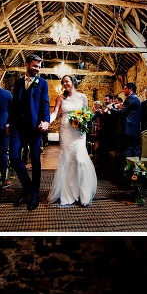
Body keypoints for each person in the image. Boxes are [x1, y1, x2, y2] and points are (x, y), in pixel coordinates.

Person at [46, 75, 97, 207]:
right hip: (66, 132)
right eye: (63, 82)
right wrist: (47, 122)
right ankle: (69, 193)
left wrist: (83, 121)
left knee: (80, 159)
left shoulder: (82, 97)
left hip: (79, 133)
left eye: (67, 81)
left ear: (73, 82)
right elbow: (55, 112)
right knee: (68, 161)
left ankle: (83, 194)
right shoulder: (60, 97)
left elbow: (88, 114)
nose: (65, 84)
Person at [8, 53, 51, 210]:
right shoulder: (18, 83)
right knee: (13, 156)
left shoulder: (42, 83)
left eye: (39, 67)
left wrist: (46, 121)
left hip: (34, 127)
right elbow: (14, 106)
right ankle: (28, 187)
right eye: (34, 66)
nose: (37, 69)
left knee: (35, 160)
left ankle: (35, 194)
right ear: (26, 65)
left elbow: (45, 103)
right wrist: (9, 124)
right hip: (18, 127)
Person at [115, 82, 142, 179]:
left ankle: (129, 174)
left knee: (128, 152)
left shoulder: (131, 98)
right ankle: (136, 173)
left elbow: (122, 112)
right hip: (134, 128)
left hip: (128, 128)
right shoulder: (136, 98)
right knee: (135, 150)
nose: (123, 90)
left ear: (130, 89)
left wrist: (112, 108)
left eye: (125, 88)